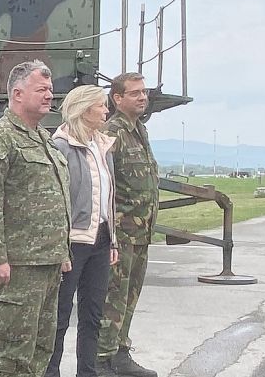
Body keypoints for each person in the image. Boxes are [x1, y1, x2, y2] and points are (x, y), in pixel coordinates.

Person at [0, 60, 72, 377]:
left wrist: (63, 253)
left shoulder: (43, 138)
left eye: (50, 89)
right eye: (41, 89)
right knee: (14, 355)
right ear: (17, 94)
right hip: (18, 266)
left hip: (48, 263)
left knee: (42, 349)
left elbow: (57, 199)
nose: (49, 95)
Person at [45, 85, 119, 377]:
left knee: (92, 314)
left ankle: (87, 372)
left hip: (100, 239)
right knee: (60, 315)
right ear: (85, 109)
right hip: (72, 242)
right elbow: (55, 200)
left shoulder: (103, 145)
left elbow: (107, 196)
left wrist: (112, 240)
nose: (106, 111)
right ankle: (51, 372)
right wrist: (59, 245)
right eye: (101, 106)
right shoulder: (61, 145)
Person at [96, 73, 158, 377]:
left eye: (144, 92)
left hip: (141, 233)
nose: (142, 97)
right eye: (135, 93)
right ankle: (102, 359)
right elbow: (105, 186)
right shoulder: (112, 133)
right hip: (120, 235)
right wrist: (111, 237)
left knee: (130, 297)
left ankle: (120, 353)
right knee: (113, 297)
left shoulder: (139, 131)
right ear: (117, 99)